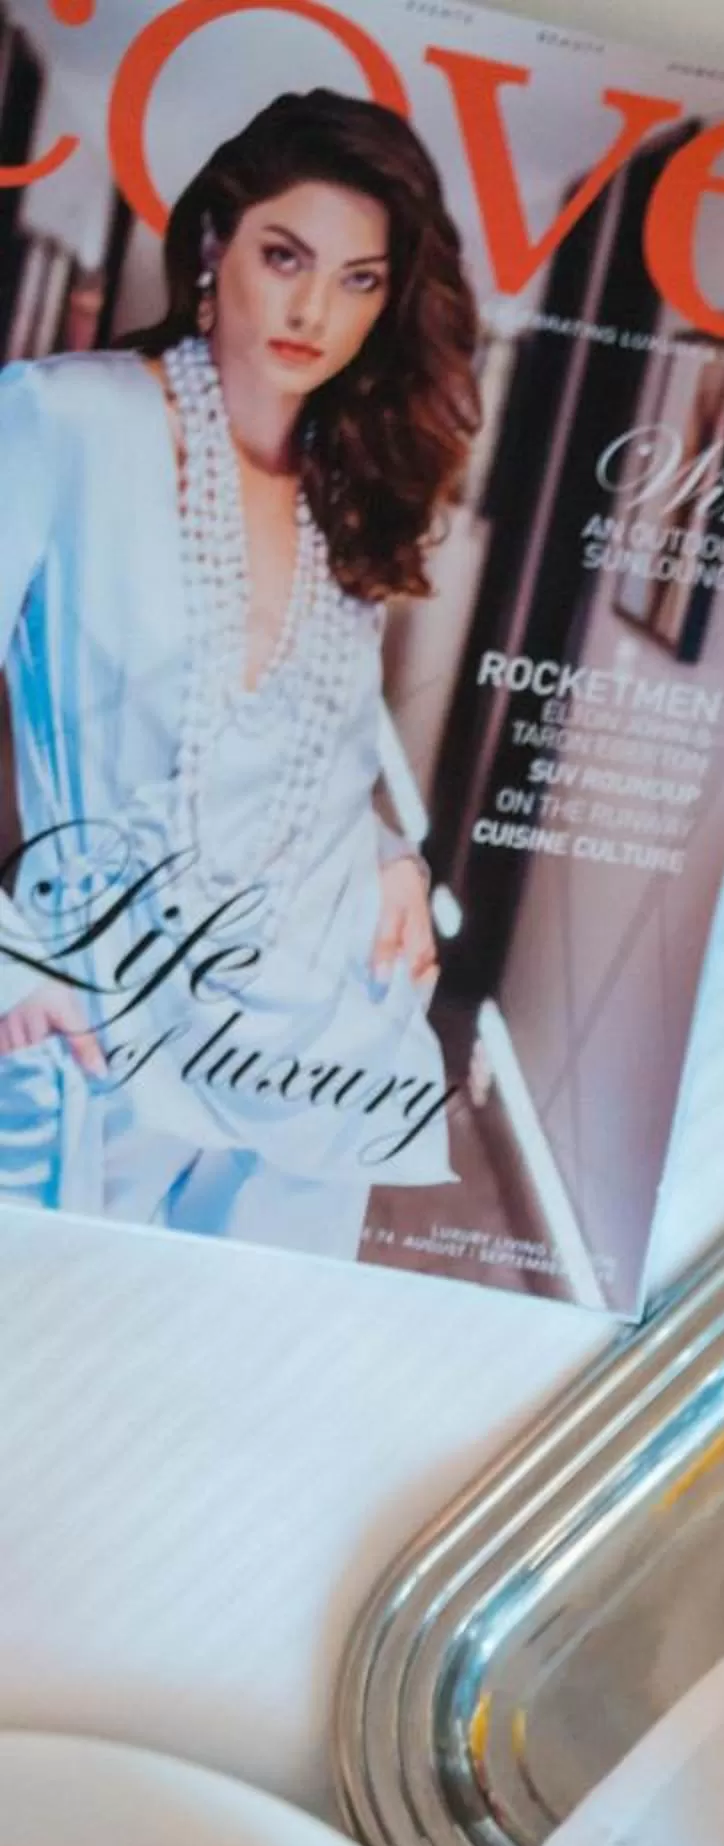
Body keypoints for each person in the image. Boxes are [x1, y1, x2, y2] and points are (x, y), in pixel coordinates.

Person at [0, 89, 480, 1255]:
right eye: (285, 255)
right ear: (215, 242)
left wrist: (389, 860)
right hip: (87, 1023)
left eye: (359, 279)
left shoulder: (353, 490)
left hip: (320, 1037)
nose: (314, 308)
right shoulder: (68, 419)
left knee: (249, 1368)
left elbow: (303, 748)